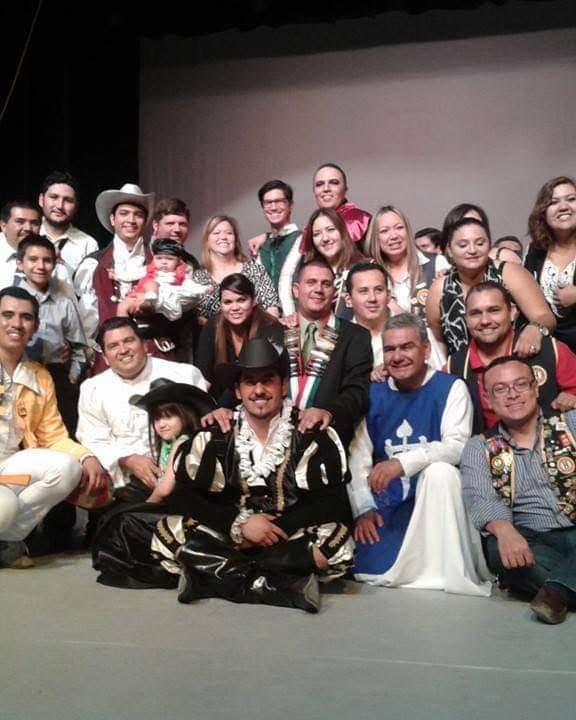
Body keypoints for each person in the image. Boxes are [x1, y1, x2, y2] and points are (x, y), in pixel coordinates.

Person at [146, 339, 353, 612]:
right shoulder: (216, 433)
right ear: (237, 390)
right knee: (167, 533)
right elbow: (185, 497)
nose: (258, 390)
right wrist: (238, 523)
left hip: (286, 538)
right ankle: (280, 584)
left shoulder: (310, 432)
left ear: (282, 385)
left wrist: (273, 530)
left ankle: (215, 578)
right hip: (230, 538)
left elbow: (334, 503)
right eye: (250, 382)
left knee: (337, 542)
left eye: (267, 380)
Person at [347, 313, 491, 595]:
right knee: (368, 566)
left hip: (440, 500)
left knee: (441, 471)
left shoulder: (451, 388)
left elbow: (457, 446)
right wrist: (363, 509)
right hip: (390, 503)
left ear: (425, 349)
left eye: (407, 347)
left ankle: (447, 568)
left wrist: (403, 463)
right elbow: (358, 458)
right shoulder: (373, 393)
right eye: (390, 349)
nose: (397, 356)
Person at [205, 258, 372, 448]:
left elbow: (357, 391)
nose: (318, 289)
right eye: (311, 282)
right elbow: (246, 375)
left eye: (326, 284)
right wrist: (222, 408)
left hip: (328, 439)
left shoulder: (355, 336)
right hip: (274, 442)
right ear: (296, 290)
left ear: (334, 293)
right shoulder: (272, 331)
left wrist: (329, 411)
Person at [461, 356, 576, 624]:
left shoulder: (571, 424)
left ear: (535, 388)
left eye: (520, 384)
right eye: (500, 389)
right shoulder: (479, 447)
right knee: (500, 552)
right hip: (530, 538)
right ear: (488, 399)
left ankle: (555, 593)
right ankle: (565, 582)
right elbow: (481, 498)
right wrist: (505, 531)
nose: (512, 394)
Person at [0, 287, 109, 568]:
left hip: (8, 464)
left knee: (68, 467)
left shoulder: (39, 376)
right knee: (4, 507)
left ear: (35, 327)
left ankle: (8, 540)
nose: (16, 323)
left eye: (26, 317)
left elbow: (54, 435)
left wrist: (86, 456)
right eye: (7, 315)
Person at [76, 317, 207, 494]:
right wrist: (127, 460)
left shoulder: (183, 375)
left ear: (145, 345)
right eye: (113, 346)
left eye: (129, 341)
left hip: (186, 476)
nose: (123, 350)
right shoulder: (92, 389)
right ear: (105, 358)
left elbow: (204, 424)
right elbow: (93, 439)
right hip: (126, 484)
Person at [447, 281, 576, 432]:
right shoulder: (453, 368)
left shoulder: (550, 350)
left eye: (494, 310)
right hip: (488, 445)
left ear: (512, 312)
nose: (485, 321)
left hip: (552, 442)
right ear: (466, 319)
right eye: (475, 313)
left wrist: (572, 399)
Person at [427, 217, 556, 358]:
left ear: (489, 246)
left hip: (516, 362)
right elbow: (438, 340)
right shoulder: (440, 288)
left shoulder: (509, 273)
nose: (472, 250)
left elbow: (545, 317)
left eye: (480, 243)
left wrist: (535, 328)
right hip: (463, 367)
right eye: (463, 245)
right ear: (449, 250)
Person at [16, 235, 88, 434]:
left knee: (60, 434)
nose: (40, 266)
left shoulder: (64, 303)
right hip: (18, 377)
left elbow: (80, 347)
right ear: (20, 264)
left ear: (55, 264)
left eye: (47, 260)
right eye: (33, 259)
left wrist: (72, 377)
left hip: (56, 378)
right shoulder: (8, 300)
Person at [367, 204, 449, 369]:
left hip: (432, 359)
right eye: (384, 231)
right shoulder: (368, 273)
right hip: (384, 361)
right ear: (375, 237)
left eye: (399, 228)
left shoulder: (436, 264)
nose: (393, 236)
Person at [195, 273, 284, 404]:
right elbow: (204, 375)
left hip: (260, 399)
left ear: (254, 301)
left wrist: (222, 407)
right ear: (221, 305)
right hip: (219, 403)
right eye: (228, 302)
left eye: (241, 300)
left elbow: (260, 376)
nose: (235, 308)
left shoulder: (270, 327)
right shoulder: (213, 326)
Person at [192, 215, 280, 320]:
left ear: (236, 239)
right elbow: (197, 316)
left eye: (229, 233)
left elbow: (271, 307)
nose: (223, 237)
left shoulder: (254, 270)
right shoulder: (198, 278)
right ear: (207, 240)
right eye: (216, 233)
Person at [525, 175, 576, 351]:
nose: (563, 207)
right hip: (551, 348)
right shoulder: (535, 250)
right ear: (543, 212)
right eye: (554, 202)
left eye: (571, 199)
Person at [247, 180, 302, 315]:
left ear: (290, 205)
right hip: (265, 321)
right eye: (268, 203)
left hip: (297, 319)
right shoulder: (261, 247)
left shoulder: (303, 240)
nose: (273, 207)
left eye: (279, 201)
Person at [116, 238, 205, 317]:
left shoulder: (181, 274)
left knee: (152, 284)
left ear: (178, 261)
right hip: (143, 297)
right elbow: (132, 274)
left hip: (164, 303)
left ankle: (151, 299)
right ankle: (124, 325)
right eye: (159, 258)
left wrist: (203, 289)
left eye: (169, 259)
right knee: (123, 306)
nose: (164, 262)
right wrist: (117, 275)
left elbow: (191, 287)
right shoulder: (149, 269)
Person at [301, 208, 364, 318]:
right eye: (317, 234)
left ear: (342, 232)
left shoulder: (365, 268)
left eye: (330, 230)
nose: (325, 238)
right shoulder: (308, 272)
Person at [38, 170, 98, 277]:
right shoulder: (27, 234)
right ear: (41, 200)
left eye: (68, 200)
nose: (60, 206)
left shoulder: (88, 245)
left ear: (76, 207)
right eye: (54, 197)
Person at [311, 163, 371, 246]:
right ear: (314, 192)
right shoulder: (311, 227)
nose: (326, 188)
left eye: (334, 182)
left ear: (345, 190)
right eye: (319, 184)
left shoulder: (362, 220)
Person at [345, 261, 390, 369]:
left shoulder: (411, 331)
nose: (372, 298)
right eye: (363, 291)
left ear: (388, 296)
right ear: (348, 300)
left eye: (379, 290)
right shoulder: (339, 341)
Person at [0, 201, 41, 289]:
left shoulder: (49, 257)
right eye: (20, 222)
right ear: (3, 226)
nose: (28, 228)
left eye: (34, 223)